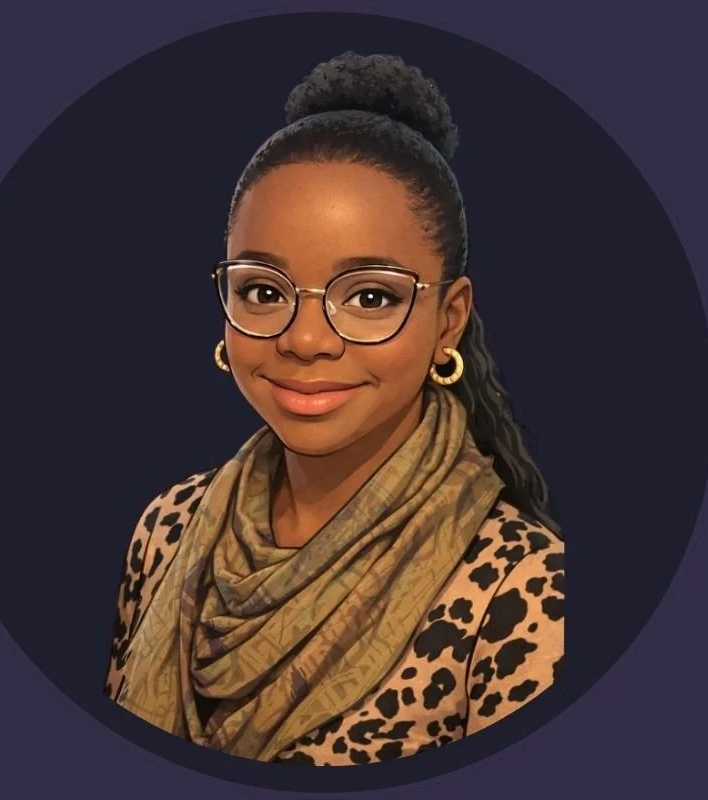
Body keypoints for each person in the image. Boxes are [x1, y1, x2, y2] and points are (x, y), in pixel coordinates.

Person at [104, 51, 564, 766]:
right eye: (262, 290)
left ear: (449, 319)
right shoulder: (168, 528)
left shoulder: (520, 589)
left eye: (371, 296)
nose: (305, 339)